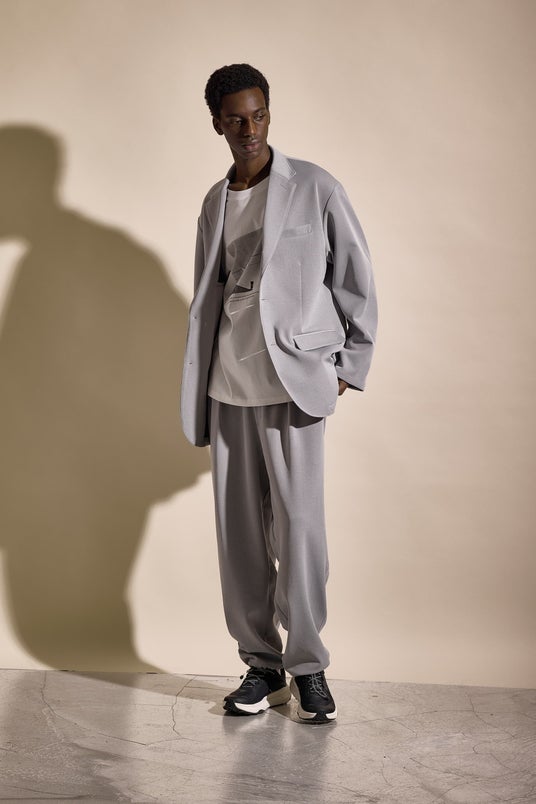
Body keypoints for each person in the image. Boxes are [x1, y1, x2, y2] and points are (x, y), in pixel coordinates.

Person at [181, 64, 377, 724]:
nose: (251, 129)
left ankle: (309, 666)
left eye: (259, 114)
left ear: (269, 113)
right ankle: (261, 666)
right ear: (217, 123)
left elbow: (355, 276)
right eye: (236, 119)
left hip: (295, 387)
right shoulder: (215, 201)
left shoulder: (314, 186)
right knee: (239, 538)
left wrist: (350, 363)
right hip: (228, 387)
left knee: (300, 531)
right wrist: (197, 388)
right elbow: (209, 296)